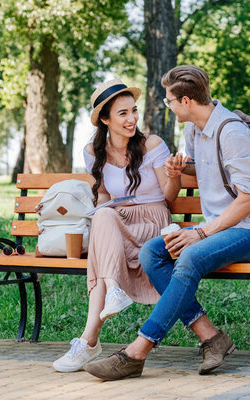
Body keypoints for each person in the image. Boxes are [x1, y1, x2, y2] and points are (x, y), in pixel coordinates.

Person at [84, 65, 250, 380]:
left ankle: (137, 351)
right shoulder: (194, 130)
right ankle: (211, 337)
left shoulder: (233, 134)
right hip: (219, 229)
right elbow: (206, 169)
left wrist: (199, 232)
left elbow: (248, 200)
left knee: (188, 256)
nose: (167, 106)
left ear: (186, 101)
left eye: (170, 100)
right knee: (151, 253)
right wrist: (177, 170)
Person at [53, 78, 186, 372]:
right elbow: (103, 197)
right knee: (102, 216)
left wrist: (174, 175)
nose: (132, 119)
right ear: (105, 119)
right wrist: (99, 222)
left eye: (133, 111)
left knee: (102, 243)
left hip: (151, 220)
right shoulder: (92, 152)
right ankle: (108, 302)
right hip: (116, 220)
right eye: (122, 113)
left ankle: (89, 342)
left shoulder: (152, 144)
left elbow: (169, 196)